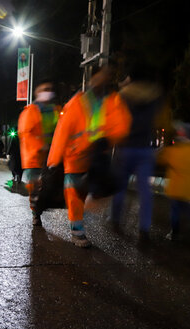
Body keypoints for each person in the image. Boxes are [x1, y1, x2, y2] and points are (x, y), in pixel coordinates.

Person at [47, 65, 131, 247]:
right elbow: (62, 131)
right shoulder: (76, 103)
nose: (104, 80)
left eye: (107, 77)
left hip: (96, 156)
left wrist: (107, 140)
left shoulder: (112, 102)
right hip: (76, 156)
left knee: (94, 192)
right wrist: (54, 160)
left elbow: (122, 126)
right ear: (92, 79)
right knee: (75, 195)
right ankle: (77, 231)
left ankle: (82, 220)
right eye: (101, 76)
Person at [110, 66, 170, 241]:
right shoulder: (156, 95)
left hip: (125, 147)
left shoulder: (123, 95)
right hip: (145, 149)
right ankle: (144, 229)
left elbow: (115, 119)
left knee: (120, 187)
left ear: (131, 77)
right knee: (145, 190)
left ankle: (115, 220)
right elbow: (161, 120)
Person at [18, 80, 60, 226]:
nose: (48, 91)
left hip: (50, 156)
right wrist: (42, 145)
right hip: (34, 157)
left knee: (48, 186)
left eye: (50, 88)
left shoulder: (55, 110)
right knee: (34, 188)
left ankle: (41, 208)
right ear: (37, 92)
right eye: (45, 89)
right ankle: (36, 213)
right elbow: (25, 134)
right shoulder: (30, 111)